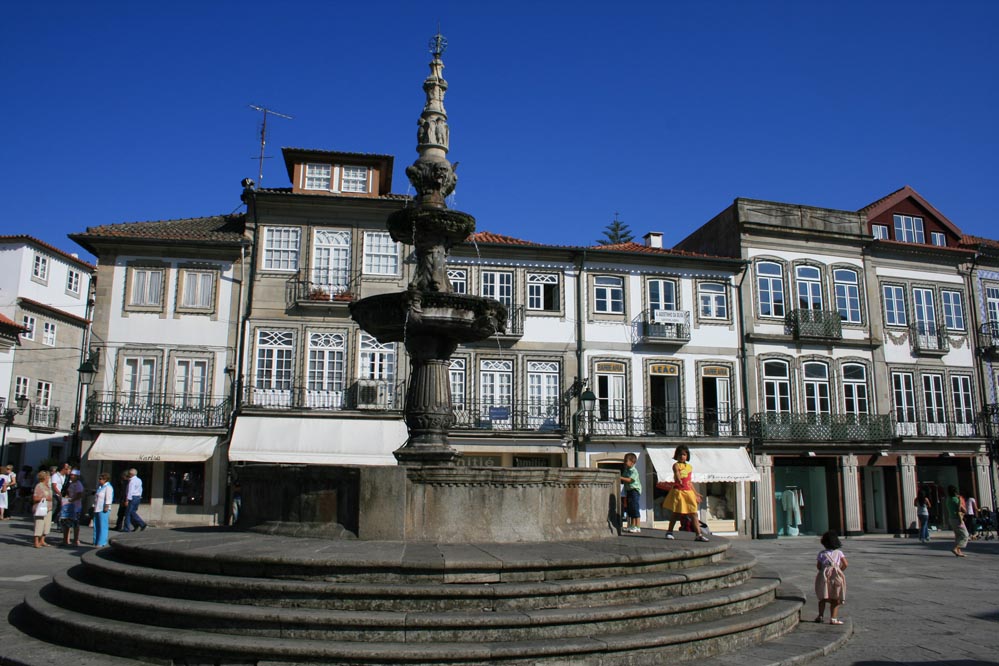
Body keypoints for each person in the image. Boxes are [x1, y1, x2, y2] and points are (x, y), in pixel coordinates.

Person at [662, 444, 708, 542]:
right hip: (679, 492)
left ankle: (698, 534)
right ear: (676, 456)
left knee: (694, 513)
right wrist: (678, 478)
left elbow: (689, 482)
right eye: (680, 454)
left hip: (688, 492)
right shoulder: (676, 465)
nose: (682, 456)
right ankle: (669, 532)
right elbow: (677, 473)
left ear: (687, 456)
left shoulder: (690, 467)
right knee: (676, 513)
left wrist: (696, 493)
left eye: (684, 454)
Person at [814, 530, 848, 625]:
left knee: (823, 597)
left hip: (824, 576)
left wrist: (825, 569)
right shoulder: (839, 553)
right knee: (835, 598)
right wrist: (839, 570)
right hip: (835, 576)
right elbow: (845, 564)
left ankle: (820, 616)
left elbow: (818, 566)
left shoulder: (821, 553)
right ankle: (833, 618)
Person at [60, 469, 85, 546]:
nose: (71, 476)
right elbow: (68, 492)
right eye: (71, 475)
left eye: (73, 475)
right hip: (69, 505)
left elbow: (79, 495)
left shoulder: (78, 484)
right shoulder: (71, 483)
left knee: (75, 523)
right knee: (66, 522)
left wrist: (71, 500)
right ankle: (65, 540)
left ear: (77, 476)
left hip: (76, 506)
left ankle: (76, 540)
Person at [620, 453, 642, 533]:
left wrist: (620, 477)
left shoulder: (634, 471)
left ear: (632, 462)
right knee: (630, 509)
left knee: (635, 508)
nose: (624, 462)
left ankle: (638, 526)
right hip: (628, 491)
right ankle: (632, 525)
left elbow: (630, 480)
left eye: (626, 461)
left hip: (634, 490)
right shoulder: (626, 470)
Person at [92, 472, 114, 547]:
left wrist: (106, 506)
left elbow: (109, 498)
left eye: (101, 479)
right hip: (97, 508)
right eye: (99, 478)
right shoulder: (100, 487)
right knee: (96, 525)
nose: (99, 480)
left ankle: (101, 542)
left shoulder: (108, 487)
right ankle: (96, 540)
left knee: (102, 526)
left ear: (105, 479)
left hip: (103, 508)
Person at [32, 470, 52, 548]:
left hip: (49, 508)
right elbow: (35, 498)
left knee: (46, 525)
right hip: (40, 508)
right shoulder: (39, 486)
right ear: (44, 477)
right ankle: (36, 541)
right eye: (48, 477)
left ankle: (42, 540)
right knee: (39, 524)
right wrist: (44, 498)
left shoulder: (48, 486)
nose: (49, 478)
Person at [947, 485, 969, 557]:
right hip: (958, 519)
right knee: (965, 535)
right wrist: (960, 501)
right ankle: (956, 548)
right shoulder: (956, 499)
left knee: (958, 535)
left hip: (951, 518)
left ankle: (959, 552)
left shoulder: (948, 499)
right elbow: (963, 510)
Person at [123, 468, 147, 532]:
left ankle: (129, 527)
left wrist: (127, 500)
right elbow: (140, 489)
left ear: (131, 474)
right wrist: (140, 496)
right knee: (132, 512)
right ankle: (136, 525)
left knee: (129, 513)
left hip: (132, 497)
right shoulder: (139, 480)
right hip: (137, 497)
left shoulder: (132, 481)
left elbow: (130, 491)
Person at [49, 462, 69, 534]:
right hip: (56, 495)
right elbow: (54, 486)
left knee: (60, 510)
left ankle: (59, 525)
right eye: (66, 468)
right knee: (54, 509)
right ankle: (48, 522)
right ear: (63, 469)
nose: (67, 470)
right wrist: (59, 493)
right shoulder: (55, 476)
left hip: (62, 495)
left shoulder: (65, 477)